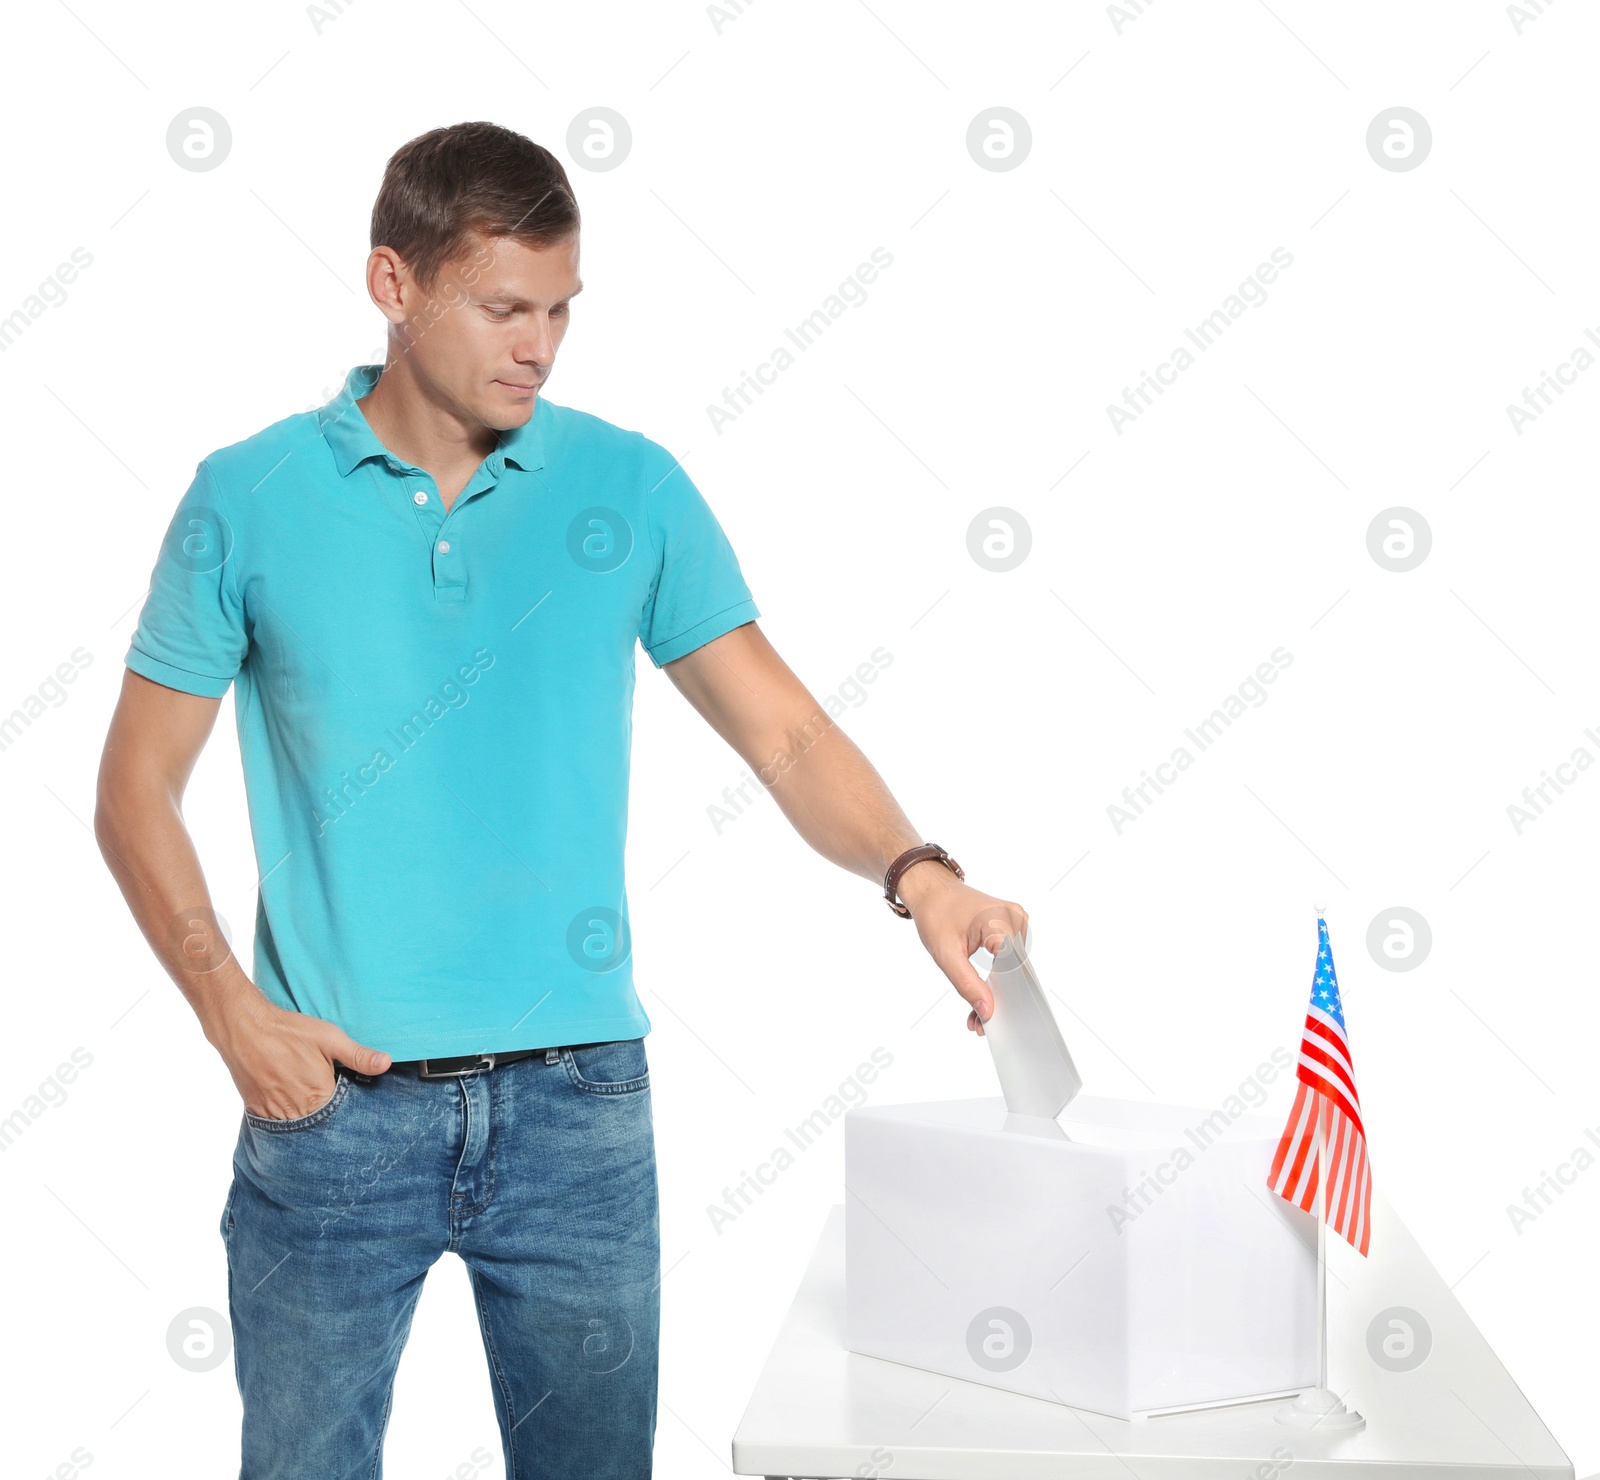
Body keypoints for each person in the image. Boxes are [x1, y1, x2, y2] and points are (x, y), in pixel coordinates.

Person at [94, 119, 1028, 1480]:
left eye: (561, 311)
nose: (539, 345)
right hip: (333, 1111)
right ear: (393, 286)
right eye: (504, 308)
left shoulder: (628, 487)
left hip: (578, 1109)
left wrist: (919, 871)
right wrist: (227, 1008)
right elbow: (133, 790)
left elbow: (784, 729)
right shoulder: (249, 498)